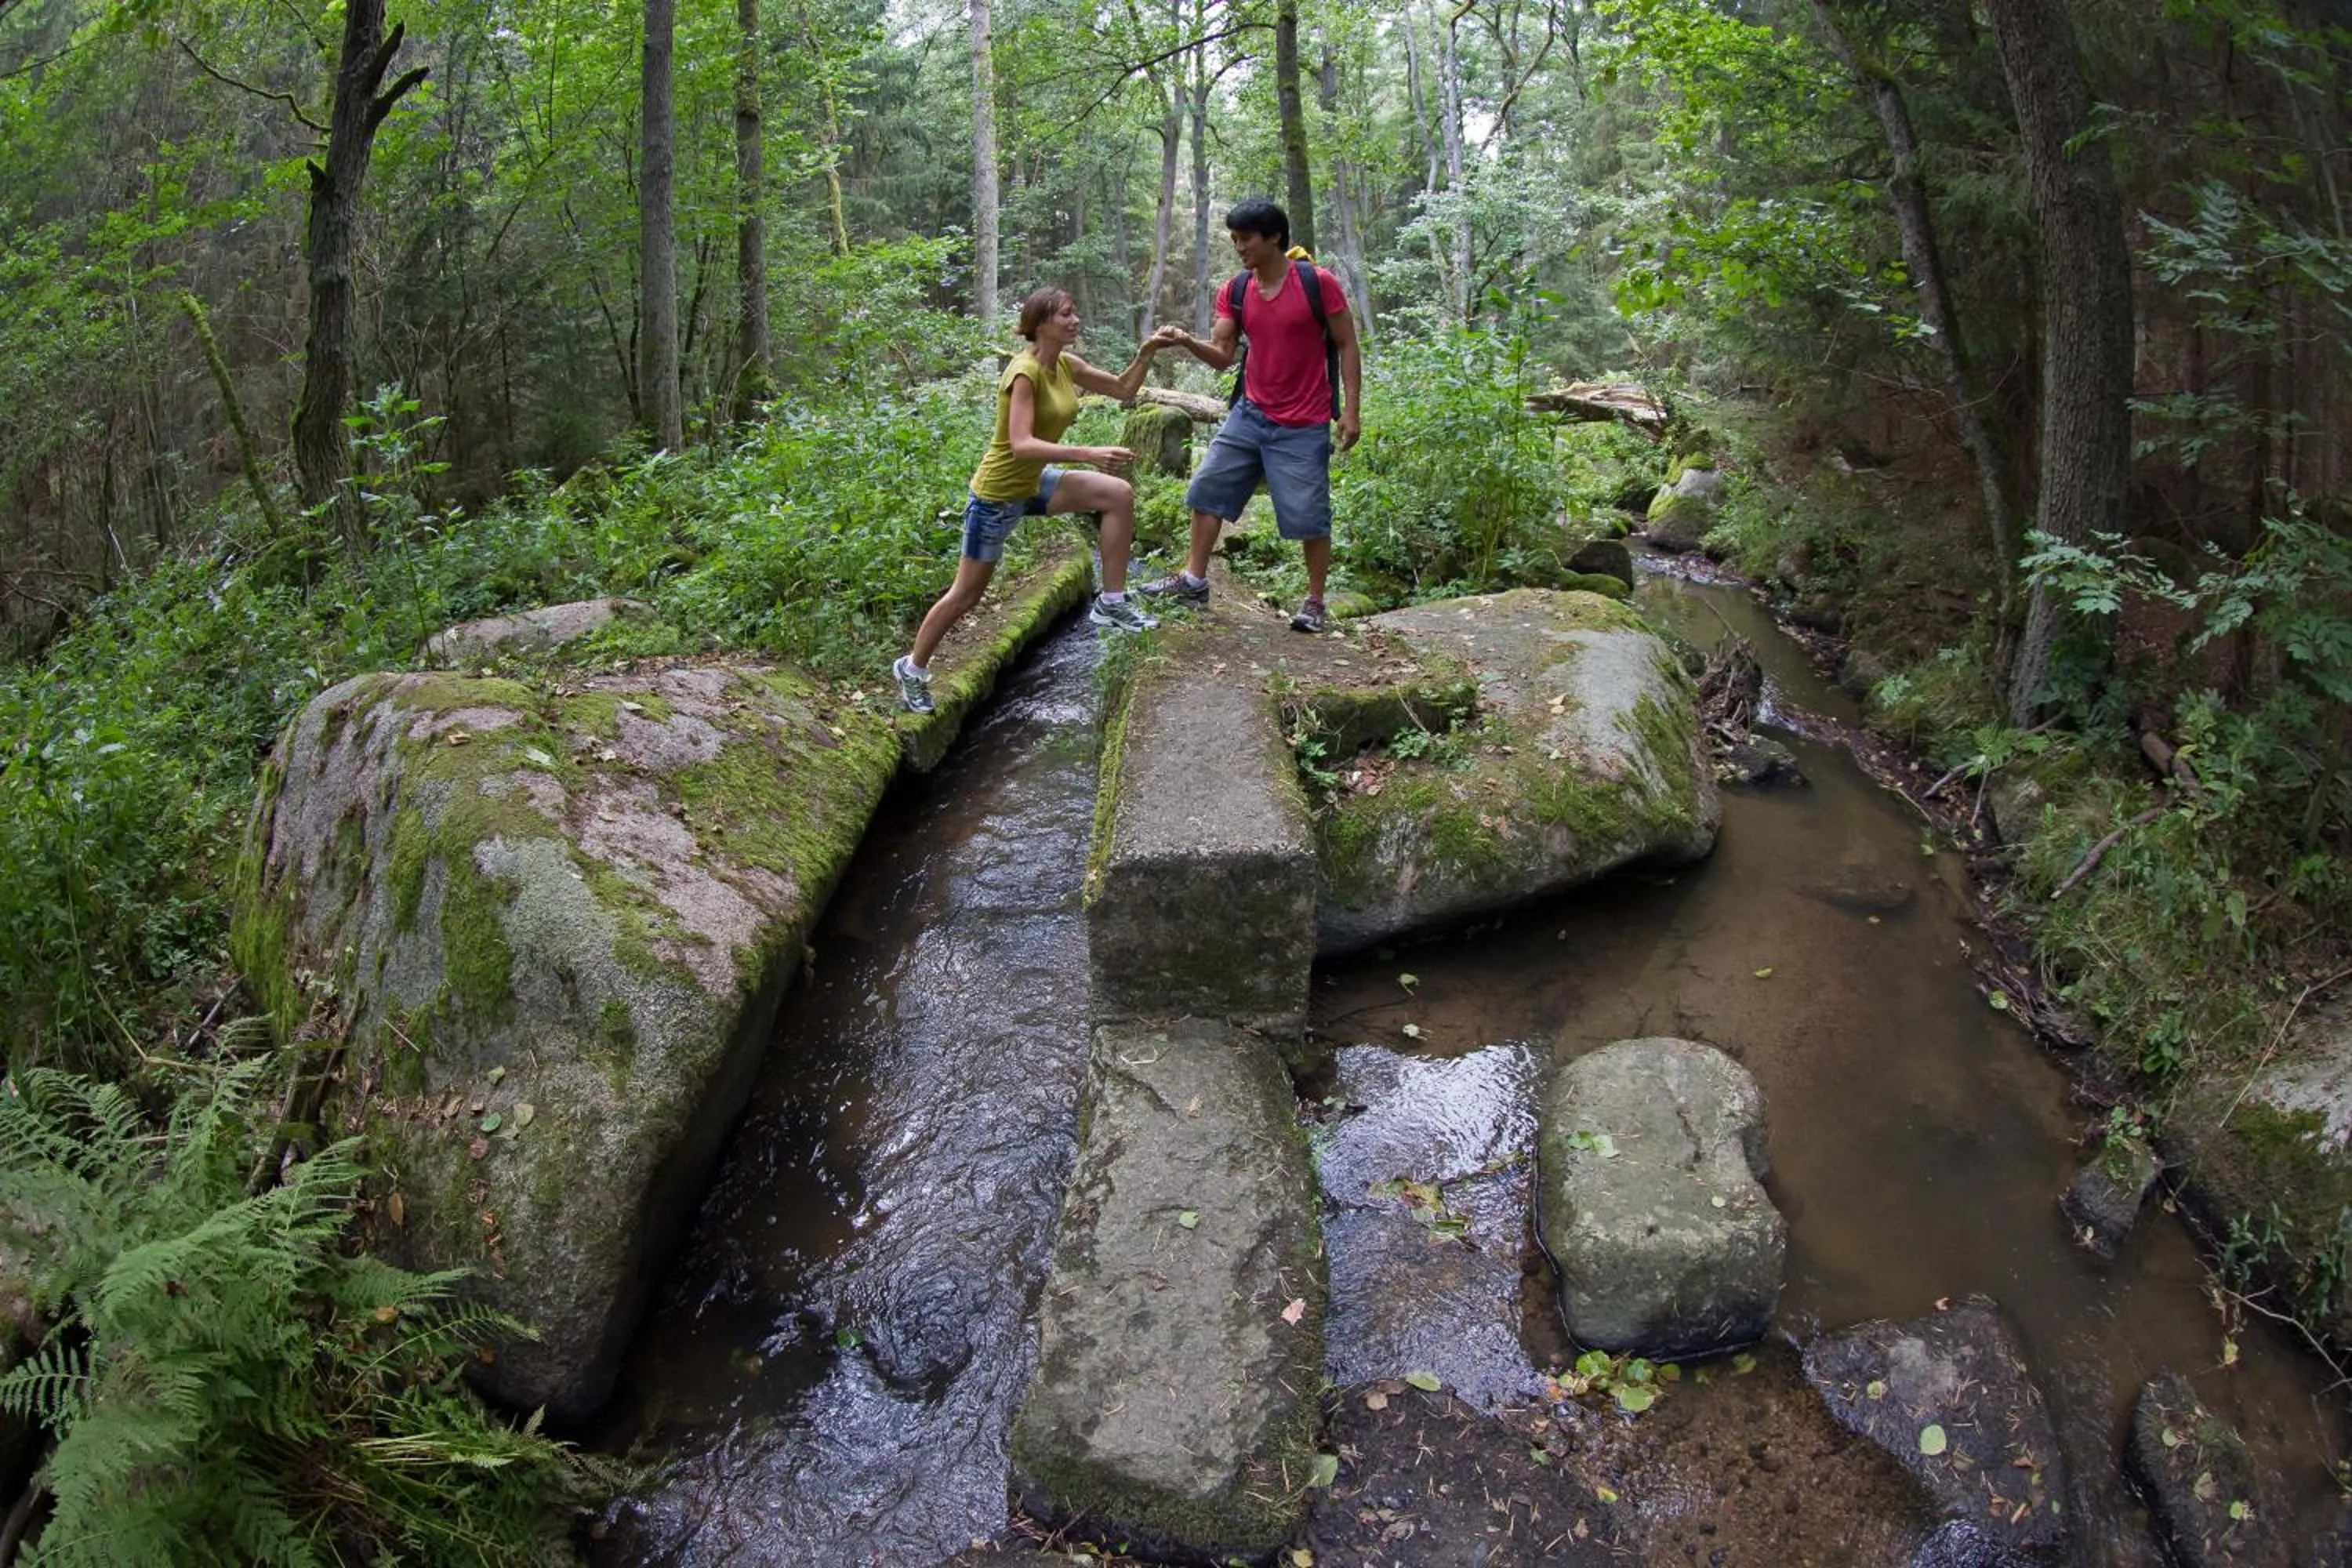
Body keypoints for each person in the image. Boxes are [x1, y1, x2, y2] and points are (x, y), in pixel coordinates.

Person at [894, 288, 1177, 714]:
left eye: (1075, 312)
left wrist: (1148, 350)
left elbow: (1123, 389)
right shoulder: (1023, 373)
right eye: (1066, 314)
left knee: (1117, 494)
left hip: (1034, 483)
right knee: (965, 595)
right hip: (997, 496)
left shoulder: (1065, 364)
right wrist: (1089, 454)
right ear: (1041, 323)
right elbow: (1021, 444)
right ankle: (912, 669)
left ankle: (1112, 603)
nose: (1075, 320)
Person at [1142, 197, 1362, 632]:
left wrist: (1351, 411)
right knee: (1206, 490)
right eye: (1234, 239)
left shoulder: (1318, 283)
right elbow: (1224, 355)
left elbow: (1347, 344)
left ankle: (1315, 603)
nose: (1238, 247)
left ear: (1273, 237)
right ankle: (1193, 581)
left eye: (1245, 239)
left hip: (1303, 421)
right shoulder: (1238, 289)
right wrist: (1186, 340)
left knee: (1308, 515)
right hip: (1250, 412)